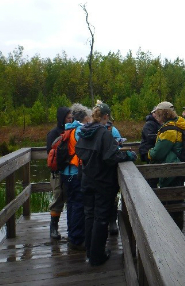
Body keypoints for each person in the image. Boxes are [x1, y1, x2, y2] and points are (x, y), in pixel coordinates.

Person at [75, 101, 136, 266]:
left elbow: (82, 152)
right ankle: (97, 256)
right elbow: (111, 157)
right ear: (105, 117)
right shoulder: (104, 133)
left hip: (87, 180)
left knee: (89, 215)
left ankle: (90, 252)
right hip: (102, 181)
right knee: (101, 217)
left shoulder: (84, 131)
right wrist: (128, 156)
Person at [148, 101, 185, 229]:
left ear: (163, 114)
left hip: (170, 168)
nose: (157, 117)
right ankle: (178, 229)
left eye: (158, 114)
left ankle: (172, 231)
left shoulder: (169, 130)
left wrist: (149, 153)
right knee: (177, 200)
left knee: (170, 202)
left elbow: (157, 153)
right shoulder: (178, 124)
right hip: (177, 166)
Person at [62, 103, 91, 251]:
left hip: (67, 173)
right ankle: (77, 239)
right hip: (76, 173)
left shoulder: (68, 128)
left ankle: (72, 235)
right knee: (79, 205)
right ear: (84, 117)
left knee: (72, 205)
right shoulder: (79, 130)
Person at [46, 106, 73, 240]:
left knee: (71, 200)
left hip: (70, 172)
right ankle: (53, 228)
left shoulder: (72, 131)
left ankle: (71, 228)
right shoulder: (53, 133)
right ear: (62, 118)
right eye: (68, 117)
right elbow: (49, 152)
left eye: (71, 117)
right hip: (57, 173)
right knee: (58, 199)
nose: (71, 119)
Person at [139, 107, 162, 188]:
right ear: (153, 113)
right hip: (147, 151)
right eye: (156, 113)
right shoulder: (149, 124)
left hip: (153, 151)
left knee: (154, 174)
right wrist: (162, 138)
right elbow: (149, 137)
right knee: (152, 175)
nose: (158, 115)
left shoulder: (158, 123)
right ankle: (151, 190)